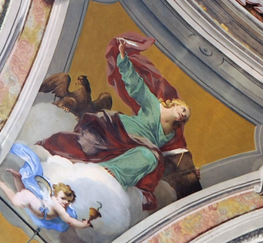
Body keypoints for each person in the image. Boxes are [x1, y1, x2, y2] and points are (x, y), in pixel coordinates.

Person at [40, 36, 191, 209]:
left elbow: (174, 154)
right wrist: (123, 58)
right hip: (122, 132)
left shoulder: (171, 134)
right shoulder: (155, 106)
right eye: (184, 110)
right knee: (82, 145)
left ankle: (109, 173)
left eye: (185, 117)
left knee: (150, 157)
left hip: (136, 148)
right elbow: (136, 85)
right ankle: (98, 171)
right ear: (177, 104)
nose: (183, 115)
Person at [0, 143, 93, 231]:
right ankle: (2, 184)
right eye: (63, 198)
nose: (65, 202)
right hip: (33, 201)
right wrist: (82, 225)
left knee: (22, 191)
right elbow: (69, 221)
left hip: (33, 200)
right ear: (56, 195)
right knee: (15, 201)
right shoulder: (57, 205)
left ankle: (18, 177)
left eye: (69, 201)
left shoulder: (57, 202)